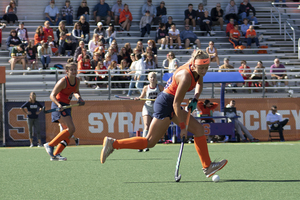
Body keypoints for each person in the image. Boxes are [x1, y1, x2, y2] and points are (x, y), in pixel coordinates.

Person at [100, 50, 228, 180]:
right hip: (166, 103)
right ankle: (113, 144)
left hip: (171, 103)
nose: (204, 71)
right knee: (149, 142)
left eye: (206, 68)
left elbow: (200, 82)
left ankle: (207, 166)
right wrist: (183, 128)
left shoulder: (197, 69)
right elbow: (176, 104)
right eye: (202, 68)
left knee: (198, 129)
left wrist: (195, 98)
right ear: (194, 65)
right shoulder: (185, 77)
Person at [44, 63, 85, 161]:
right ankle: (50, 145)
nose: (74, 71)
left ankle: (56, 154)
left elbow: (76, 91)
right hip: (58, 105)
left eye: (75, 69)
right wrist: (58, 105)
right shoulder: (63, 81)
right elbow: (52, 95)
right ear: (67, 71)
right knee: (71, 128)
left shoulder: (77, 81)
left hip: (66, 106)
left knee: (70, 132)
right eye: (72, 70)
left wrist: (79, 98)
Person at [134, 72, 164, 152]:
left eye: (154, 77)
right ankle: (142, 145)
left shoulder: (160, 87)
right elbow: (141, 97)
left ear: (156, 78)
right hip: (147, 108)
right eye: (151, 77)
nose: (152, 78)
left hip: (156, 110)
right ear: (148, 78)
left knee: (152, 128)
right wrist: (138, 99)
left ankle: (147, 143)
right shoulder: (146, 88)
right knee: (146, 126)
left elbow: (165, 96)